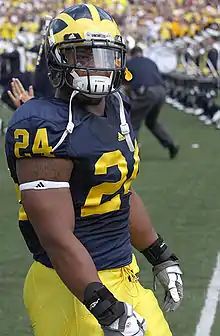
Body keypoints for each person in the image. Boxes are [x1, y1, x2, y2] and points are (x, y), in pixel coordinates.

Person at [5, 4, 183, 336]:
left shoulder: (117, 106)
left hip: (123, 273)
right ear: (57, 59)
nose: (97, 67)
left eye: (104, 56)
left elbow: (117, 191)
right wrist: (106, 308)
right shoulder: (43, 126)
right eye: (83, 56)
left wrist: (160, 253)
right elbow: (56, 237)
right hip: (73, 287)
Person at [125, 46, 179, 159]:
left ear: (132, 54)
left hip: (148, 92)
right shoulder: (150, 62)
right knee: (151, 122)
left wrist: (131, 100)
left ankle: (133, 153)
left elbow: (127, 85)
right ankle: (171, 145)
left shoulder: (129, 63)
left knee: (133, 121)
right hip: (161, 91)